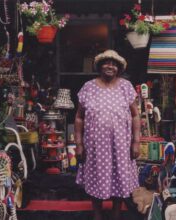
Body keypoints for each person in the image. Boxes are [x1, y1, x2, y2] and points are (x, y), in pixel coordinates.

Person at [74, 50, 140, 220]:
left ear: (119, 68)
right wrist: (79, 144)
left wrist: (136, 142)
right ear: (99, 66)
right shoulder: (88, 87)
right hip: (95, 146)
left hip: (121, 145)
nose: (110, 66)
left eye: (114, 63)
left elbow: (135, 115)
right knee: (96, 175)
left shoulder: (126, 86)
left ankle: (116, 213)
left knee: (120, 175)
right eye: (106, 62)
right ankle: (97, 214)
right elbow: (79, 118)